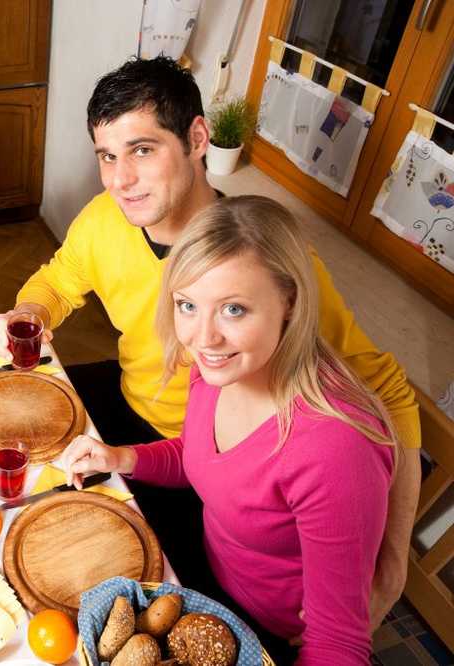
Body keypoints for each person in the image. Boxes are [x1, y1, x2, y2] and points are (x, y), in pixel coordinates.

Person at [0, 56, 420, 628]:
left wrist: (391, 560)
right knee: (7, 458)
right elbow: (60, 279)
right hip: (136, 415)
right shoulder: (104, 220)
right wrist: (31, 311)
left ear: (196, 137)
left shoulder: (265, 263)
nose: (120, 180)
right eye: (108, 157)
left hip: (215, 470)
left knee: (110, 592)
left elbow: (386, 389)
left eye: (142, 150)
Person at [63, 196, 394, 664]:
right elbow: (201, 457)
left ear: (290, 302)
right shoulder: (218, 369)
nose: (203, 336)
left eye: (234, 309)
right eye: (187, 304)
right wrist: (123, 458)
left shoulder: (335, 449)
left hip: (269, 632)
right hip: (206, 581)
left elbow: (339, 642)